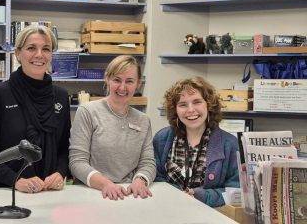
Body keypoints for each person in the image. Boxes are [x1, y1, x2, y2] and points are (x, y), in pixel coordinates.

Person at [0, 25, 70, 193]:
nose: (39, 55)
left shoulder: (61, 96)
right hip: (10, 192)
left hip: (50, 193)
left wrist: (60, 172)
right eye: (31, 48)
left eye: (46, 49)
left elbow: (64, 148)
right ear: (18, 54)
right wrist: (16, 181)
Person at [69, 55, 156, 200]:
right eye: (117, 80)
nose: (122, 87)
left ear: (138, 84)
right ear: (107, 79)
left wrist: (140, 180)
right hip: (93, 193)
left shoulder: (143, 120)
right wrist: (105, 184)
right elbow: (77, 162)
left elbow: (148, 162)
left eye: (129, 81)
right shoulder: (87, 112)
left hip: (129, 194)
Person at [153, 76, 239, 207]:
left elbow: (236, 193)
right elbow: (156, 179)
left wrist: (202, 196)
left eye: (197, 102)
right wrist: (176, 195)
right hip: (168, 211)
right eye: (183, 104)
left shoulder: (230, 144)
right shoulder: (162, 139)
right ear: (175, 109)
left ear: (208, 105)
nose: (190, 110)